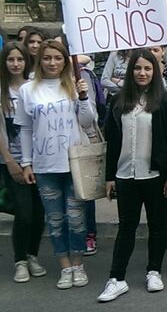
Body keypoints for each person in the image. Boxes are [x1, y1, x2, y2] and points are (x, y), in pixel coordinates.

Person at [97, 50, 167, 302]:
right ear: (130, 71)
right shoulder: (118, 101)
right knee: (127, 227)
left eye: (147, 68)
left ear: (155, 72)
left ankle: (154, 270)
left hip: (154, 174)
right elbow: (112, 141)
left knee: (158, 226)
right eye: (138, 68)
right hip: (126, 176)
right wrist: (109, 176)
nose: (142, 73)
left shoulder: (165, 101)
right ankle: (116, 278)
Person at [15, 40, 97, 290]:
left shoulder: (74, 85)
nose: (52, 63)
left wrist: (83, 96)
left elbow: (87, 121)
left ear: (65, 61)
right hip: (44, 166)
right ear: (40, 60)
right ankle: (65, 266)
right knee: (55, 219)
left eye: (58, 58)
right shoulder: (28, 90)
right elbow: (26, 129)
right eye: (47, 58)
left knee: (76, 218)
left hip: (73, 163)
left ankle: (78, 263)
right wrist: (26, 162)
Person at [1, 43, 46, 283]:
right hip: (11, 161)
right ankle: (20, 260)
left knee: (39, 213)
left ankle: (32, 255)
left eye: (19, 59)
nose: (16, 64)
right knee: (24, 212)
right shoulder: (2, 90)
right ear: (5, 62)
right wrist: (9, 160)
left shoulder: (32, 88)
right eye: (11, 59)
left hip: (38, 160)